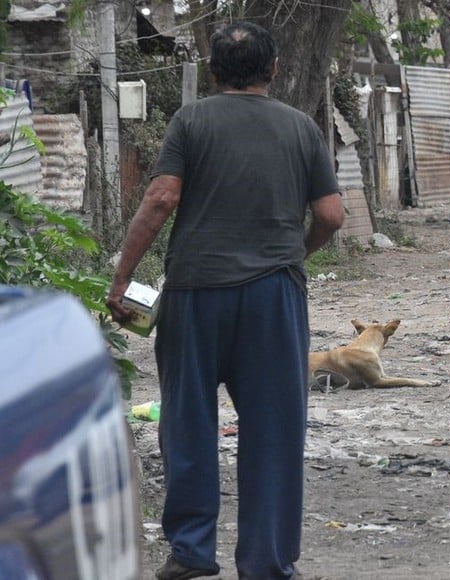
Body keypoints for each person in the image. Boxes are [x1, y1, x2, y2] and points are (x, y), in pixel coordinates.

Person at [106, 21, 344, 580]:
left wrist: (122, 278)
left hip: (195, 294)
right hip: (274, 298)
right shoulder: (302, 129)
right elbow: (332, 216)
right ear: (274, 68)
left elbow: (162, 197)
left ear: (214, 71)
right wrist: (293, 256)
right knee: (274, 428)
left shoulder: (192, 120)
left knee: (188, 420)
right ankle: (267, 561)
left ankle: (191, 551)